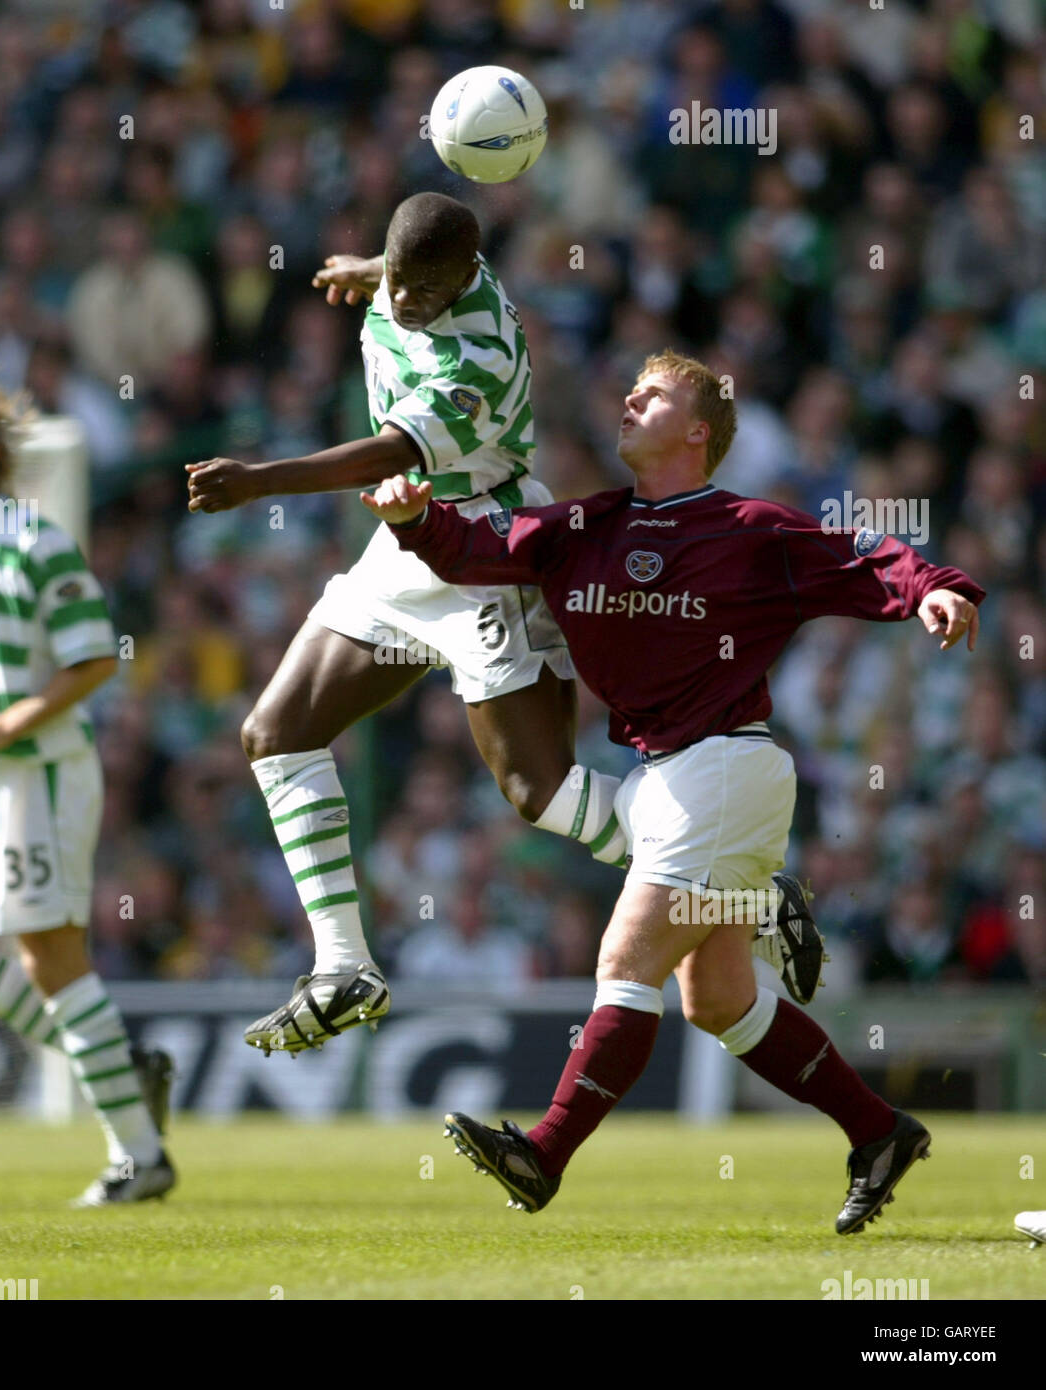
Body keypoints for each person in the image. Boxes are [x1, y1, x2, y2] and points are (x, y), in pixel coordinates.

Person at [362, 348, 984, 1234]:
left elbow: (867, 553)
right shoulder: (587, 525)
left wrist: (935, 589)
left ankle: (543, 1154)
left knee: (625, 963)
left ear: (699, 431)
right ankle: (879, 1132)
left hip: (725, 766)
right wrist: (415, 518)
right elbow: (473, 550)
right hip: (665, 776)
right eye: (630, 391)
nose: (628, 401)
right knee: (720, 1002)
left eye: (652, 396)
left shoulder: (748, 528)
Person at [187, 193, 819, 1054]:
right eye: (396, 282)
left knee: (540, 792)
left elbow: (389, 453)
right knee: (274, 731)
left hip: (485, 552)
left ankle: (748, 892)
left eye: (420, 292)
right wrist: (369, 273)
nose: (403, 303)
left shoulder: (478, 358)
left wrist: (260, 480)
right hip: (405, 541)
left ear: (459, 283)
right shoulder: (422, 270)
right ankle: (344, 967)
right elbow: (410, 271)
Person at [0, 369, 175, 1206]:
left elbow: (96, 656)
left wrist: (17, 720)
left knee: (49, 957)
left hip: (44, 771)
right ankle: (117, 1065)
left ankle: (138, 1158)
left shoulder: (34, 537)